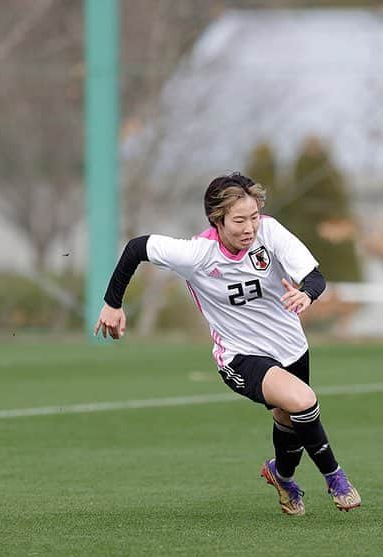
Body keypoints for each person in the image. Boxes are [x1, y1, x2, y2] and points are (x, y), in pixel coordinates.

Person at [94, 172, 361, 515]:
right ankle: (335, 479)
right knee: (303, 400)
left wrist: (306, 294)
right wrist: (112, 304)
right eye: (239, 220)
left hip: (292, 347)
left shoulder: (270, 232)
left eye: (253, 216)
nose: (250, 227)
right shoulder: (196, 254)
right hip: (239, 357)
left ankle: (281, 476)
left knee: (290, 416)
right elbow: (136, 248)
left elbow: (315, 277)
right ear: (217, 220)